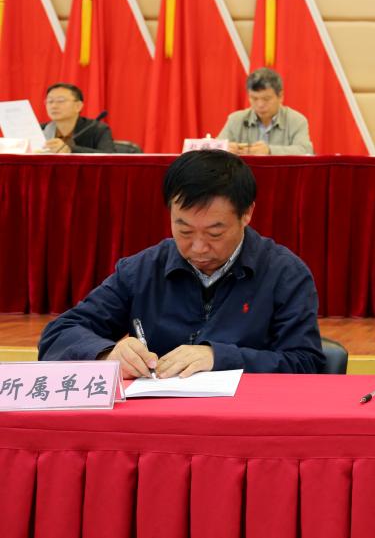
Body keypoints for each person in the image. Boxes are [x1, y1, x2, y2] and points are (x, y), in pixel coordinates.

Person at [38, 149, 325, 377]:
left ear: (247, 213)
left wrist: (218, 358)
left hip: (246, 422)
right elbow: (58, 335)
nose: (198, 248)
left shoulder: (285, 273)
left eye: (215, 233)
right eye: (184, 231)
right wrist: (107, 354)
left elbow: (306, 363)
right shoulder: (142, 270)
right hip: (157, 421)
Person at [217, 67, 314, 155]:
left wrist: (269, 151)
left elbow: (306, 150)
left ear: (280, 96)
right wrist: (225, 148)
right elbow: (214, 148)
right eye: (254, 98)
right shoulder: (236, 119)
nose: (260, 105)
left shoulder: (296, 120)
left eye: (266, 99)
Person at [39, 83, 114, 154]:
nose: (53, 106)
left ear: (78, 106)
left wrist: (71, 150)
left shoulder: (97, 129)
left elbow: (110, 157)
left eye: (61, 101)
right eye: (50, 101)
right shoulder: (40, 129)